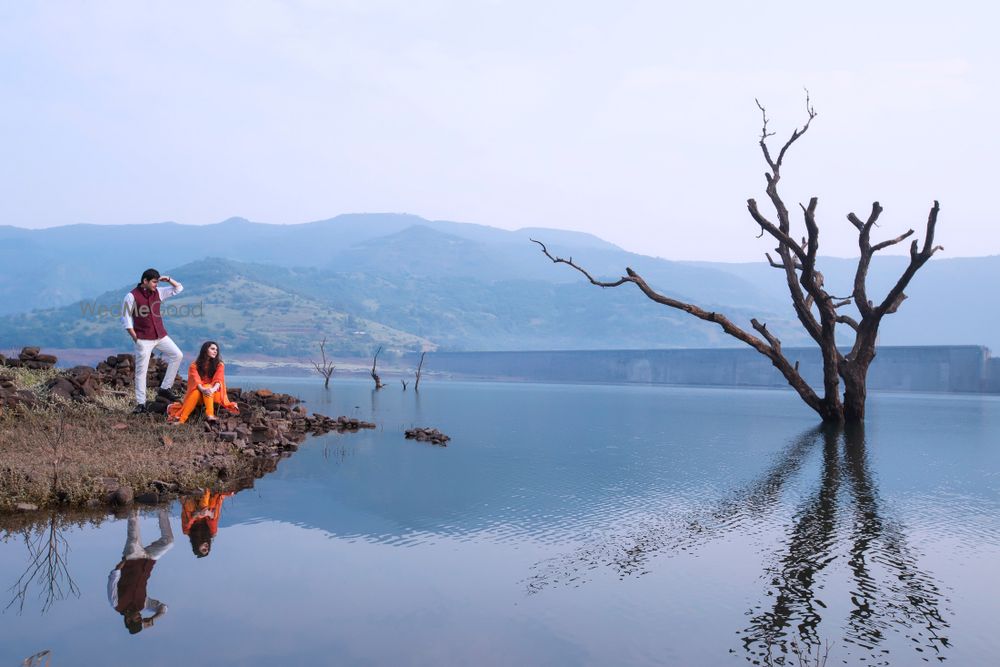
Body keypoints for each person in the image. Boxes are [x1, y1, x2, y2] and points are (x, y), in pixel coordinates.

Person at [121, 268, 185, 414]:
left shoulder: (159, 292)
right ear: (145, 281)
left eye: (157, 282)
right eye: (154, 282)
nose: (156, 284)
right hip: (143, 339)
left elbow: (179, 288)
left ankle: (164, 388)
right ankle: (141, 404)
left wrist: (167, 279)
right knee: (141, 371)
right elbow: (125, 318)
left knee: (177, 355)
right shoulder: (131, 296)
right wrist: (134, 337)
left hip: (161, 336)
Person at [107, 509, 173, 635]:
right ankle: (161, 508)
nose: (140, 616)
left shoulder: (116, 603)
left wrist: (123, 563)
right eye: (140, 619)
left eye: (137, 619)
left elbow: (113, 580)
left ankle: (133, 503)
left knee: (133, 526)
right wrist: (153, 620)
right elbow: (163, 608)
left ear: (128, 620)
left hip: (132, 557)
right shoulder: (143, 604)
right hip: (149, 560)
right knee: (169, 542)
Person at [167, 341, 239, 424]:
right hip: (200, 393)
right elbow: (196, 381)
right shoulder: (194, 365)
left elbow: (218, 380)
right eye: (212, 349)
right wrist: (203, 389)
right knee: (196, 392)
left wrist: (211, 390)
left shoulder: (219, 364)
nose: (215, 351)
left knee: (208, 386)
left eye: (216, 350)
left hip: (214, 393)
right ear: (205, 350)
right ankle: (182, 420)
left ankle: (210, 414)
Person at [181, 489, 234, 558]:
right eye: (208, 550)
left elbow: (187, 521)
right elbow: (214, 518)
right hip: (206, 511)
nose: (207, 548)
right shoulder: (212, 533)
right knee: (206, 507)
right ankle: (206, 490)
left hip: (193, 511)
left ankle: (187, 493)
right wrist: (207, 513)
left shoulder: (187, 532)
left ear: (197, 546)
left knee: (190, 509)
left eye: (203, 550)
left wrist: (195, 516)